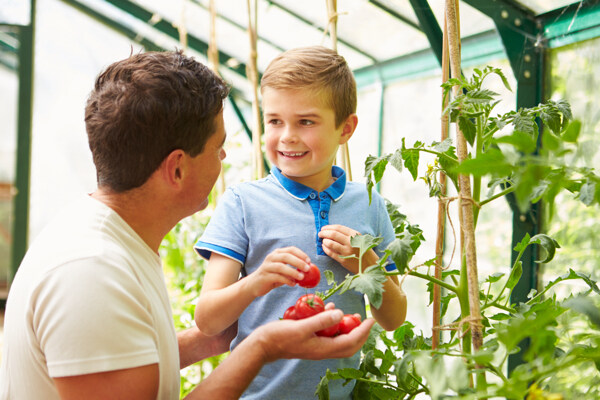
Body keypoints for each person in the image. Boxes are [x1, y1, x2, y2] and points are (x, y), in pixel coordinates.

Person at [0, 50, 375, 400]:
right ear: (177, 168)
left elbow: (124, 358)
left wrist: (207, 341)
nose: (224, 157)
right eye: (217, 147)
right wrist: (262, 348)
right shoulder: (90, 272)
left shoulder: (109, 241)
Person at [193, 46, 407, 399]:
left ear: (346, 128)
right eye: (275, 121)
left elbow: (394, 317)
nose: (287, 136)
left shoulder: (369, 203)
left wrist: (367, 267)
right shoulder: (243, 202)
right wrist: (257, 281)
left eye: (305, 121)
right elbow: (208, 319)